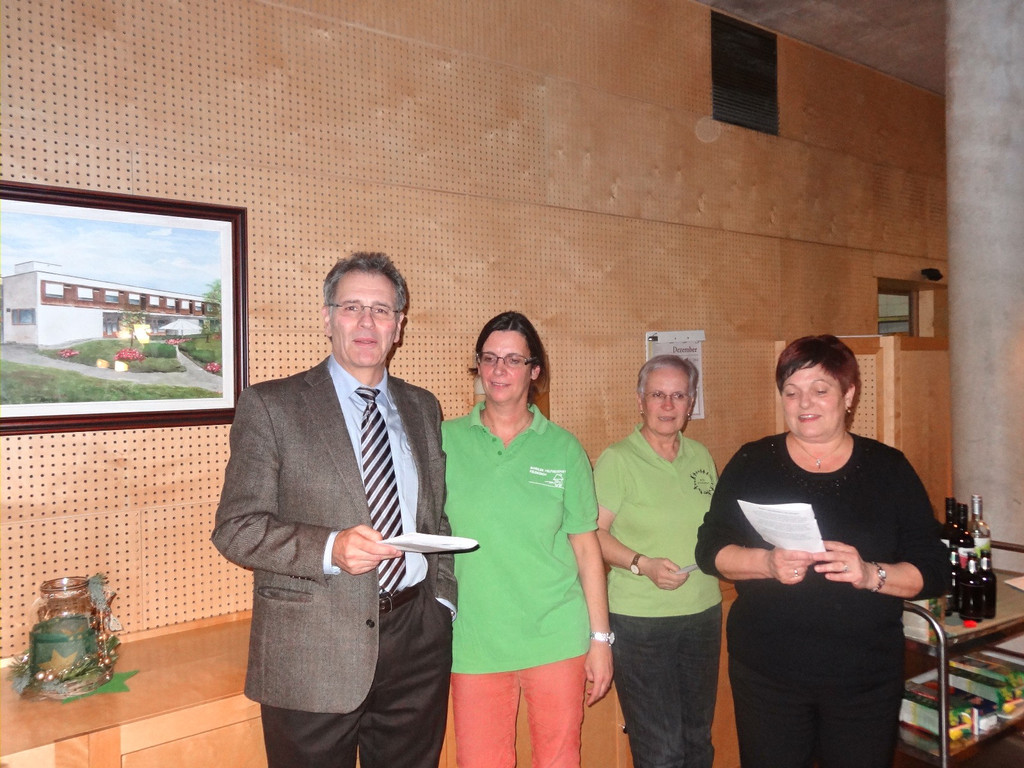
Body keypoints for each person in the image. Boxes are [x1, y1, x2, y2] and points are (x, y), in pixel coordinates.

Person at [212, 253, 455, 768]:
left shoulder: (422, 407)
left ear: (398, 326)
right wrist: (330, 548)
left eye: (381, 310)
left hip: (417, 642)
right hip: (311, 652)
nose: (367, 322)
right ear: (327, 318)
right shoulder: (271, 406)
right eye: (352, 307)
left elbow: (435, 518)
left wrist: (442, 606)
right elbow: (236, 529)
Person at [694, 334, 947, 768]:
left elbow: (935, 569)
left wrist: (870, 574)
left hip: (864, 678)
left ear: (848, 395)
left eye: (820, 389)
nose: (804, 403)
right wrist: (766, 563)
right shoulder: (753, 462)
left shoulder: (889, 468)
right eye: (791, 392)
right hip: (767, 674)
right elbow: (709, 550)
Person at [441, 311, 613, 768]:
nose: (499, 370)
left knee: (559, 760)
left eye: (513, 360)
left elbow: (586, 548)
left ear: (534, 371)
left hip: (556, 636)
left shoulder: (564, 448)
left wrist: (600, 639)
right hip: (474, 640)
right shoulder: (444, 441)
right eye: (490, 358)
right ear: (478, 366)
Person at [594, 355, 722, 768]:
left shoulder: (701, 455)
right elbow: (593, 535)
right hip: (640, 622)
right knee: (661, 750)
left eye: (678, 396)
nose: (668, 405)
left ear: (691, 403)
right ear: (640, 401)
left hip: (703, 613)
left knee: (698, 741)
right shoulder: (617, 459)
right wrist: (641, 564)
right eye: (657, 395)